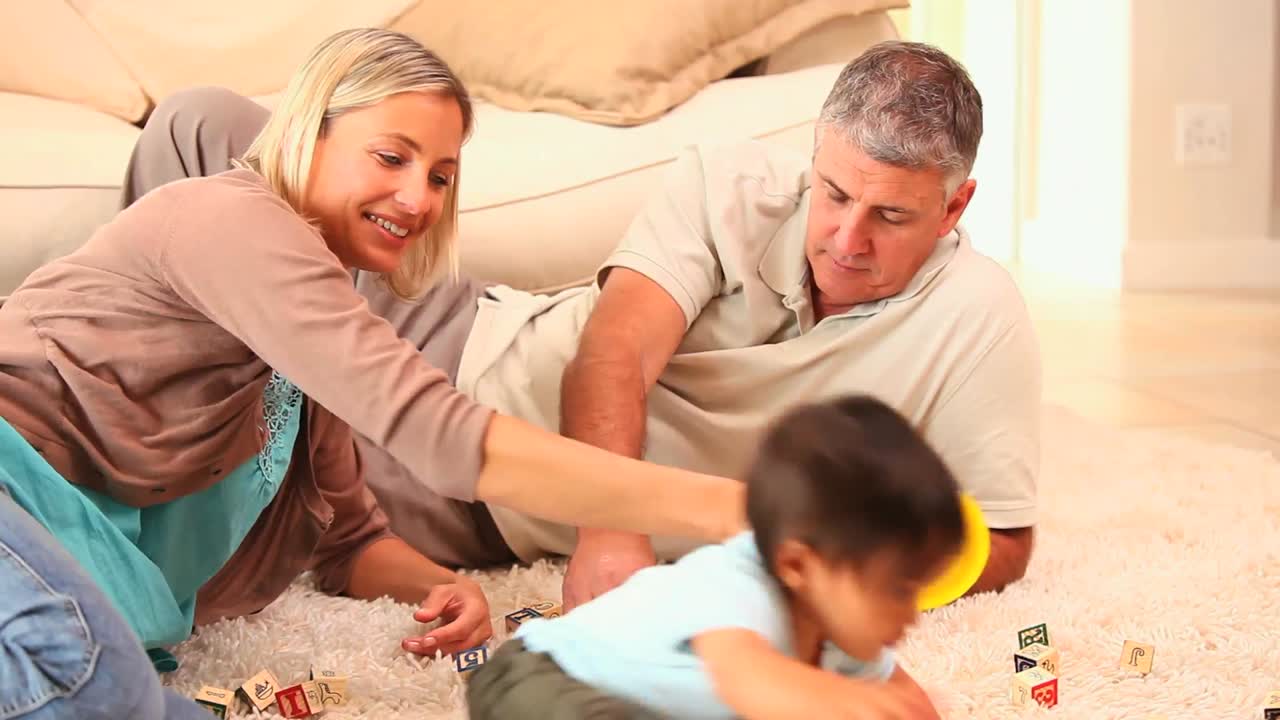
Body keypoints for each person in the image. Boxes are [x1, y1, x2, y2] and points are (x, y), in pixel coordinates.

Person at [122, 41, 1041, 613]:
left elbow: (1001, 543)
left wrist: (825, 551)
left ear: (955, 205)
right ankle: (120, 396)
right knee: (198, 122)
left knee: (240, 509)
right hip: (460, 334)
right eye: (834, 194)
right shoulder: (729, 185)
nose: (844, 237)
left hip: (466, 503)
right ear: (814, 160)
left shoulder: (977, 319)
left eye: (890, 217)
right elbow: (613, 349)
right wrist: (613, 530)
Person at [0, 29, 742, 719]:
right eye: (392, 158)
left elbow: (350, 541)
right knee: (86, 677)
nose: (419, 199)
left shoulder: (306, 348)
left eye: (442, 176)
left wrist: (442, 587)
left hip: (76, 589)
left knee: (117, 688)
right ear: (308, 132)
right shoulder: (229, 220)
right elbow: (439, 436)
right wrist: (733, 509)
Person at [467, 395, 963, 720]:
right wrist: (856, 709)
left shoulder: (848, 637)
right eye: (898, 590)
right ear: (798, 566)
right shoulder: (737, 582)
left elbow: (907, 702)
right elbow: (747, 679)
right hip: (543, 680)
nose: (912, 613)